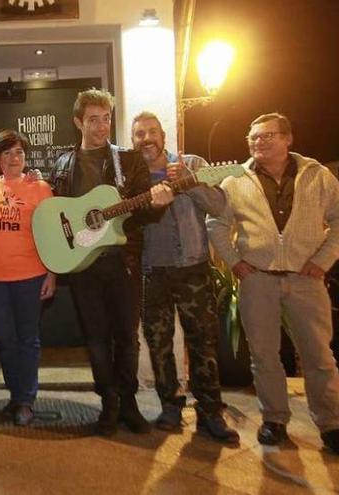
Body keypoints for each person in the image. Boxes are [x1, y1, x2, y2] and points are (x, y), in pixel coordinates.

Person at [207, 112, 339, 457]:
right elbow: (215, 223)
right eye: (253, 137)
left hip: (306, 281)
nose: (258, 142)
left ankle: (333, 426)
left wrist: (323, 260)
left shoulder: (316, 176)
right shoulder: (236, 181)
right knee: (263, 357)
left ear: (288, 139)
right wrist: (235, 262)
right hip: (257, 280)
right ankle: (274, 420)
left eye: (267, 136)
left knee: (320, 357)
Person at [49, 89, 173, 436]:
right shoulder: (63, 164)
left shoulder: (129, 161)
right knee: (97, 338)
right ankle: (109, 403)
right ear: (78, 122)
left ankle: (129, 403)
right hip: (84, 264)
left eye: (106, 118)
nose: (101, 126)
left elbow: (144, 213)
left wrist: (158, 202)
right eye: (93, 119)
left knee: (127, 337)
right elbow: (56, 213)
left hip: (123, 262)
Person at [131, 111, 239, 443]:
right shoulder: (132, 177)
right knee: (159, 344)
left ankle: (210, 413)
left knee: (203, 342)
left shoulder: (191, 162)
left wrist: (190, 181)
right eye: (139, 134)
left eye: (152, 132)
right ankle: (170, 407)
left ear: (163, 136)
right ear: (134, 141)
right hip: (153, 271)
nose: (146, 138)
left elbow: (220, 206)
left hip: (192, 267)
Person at [0, 130, 56, 426]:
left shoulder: (40, 188)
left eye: (20, 152)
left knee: (28, 339)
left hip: (30, 275)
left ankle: (26, 399)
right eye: (8, 152)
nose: (14, 158)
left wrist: (52, 274)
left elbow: (52, 236)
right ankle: (14, 393)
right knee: (4, 340)